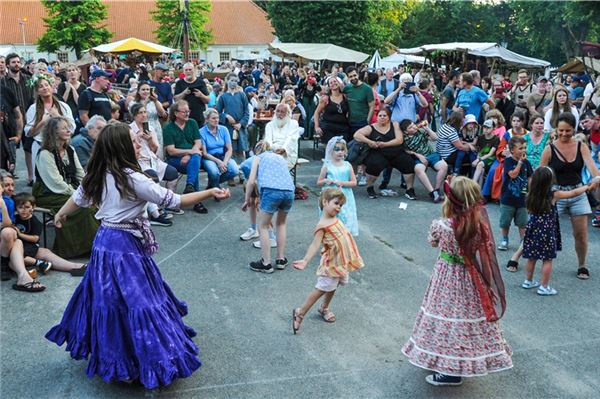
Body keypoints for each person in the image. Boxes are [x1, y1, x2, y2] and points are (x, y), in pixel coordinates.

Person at [45, 122, 230, 389]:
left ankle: (120, 361)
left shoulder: (99, 173)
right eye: (133, 140)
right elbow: (173, 200)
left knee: (113, 302)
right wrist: (211, 191)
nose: (138, 143)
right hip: (122, 247)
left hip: (105, 242)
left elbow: (78, 198)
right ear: (121, 146)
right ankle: (136, 361)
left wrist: (61, 213)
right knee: (137, 302)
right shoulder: (133, 178)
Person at [402, 176, 512, 386]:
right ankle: (459, 361)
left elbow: (433, 243)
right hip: (472, 278)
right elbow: (485, 254)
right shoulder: (479, 226)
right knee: (465, 318)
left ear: (450, 201)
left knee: (446, 317)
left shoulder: (441, 226)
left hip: (446, 278)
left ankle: (449, 370)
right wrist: (487, 283)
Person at [291, 188, 364, 333]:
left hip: (340, 262)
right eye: (336, 203)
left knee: (333, 285)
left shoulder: (335, 218)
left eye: (341, 205)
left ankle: (324, 308)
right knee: (321, 289)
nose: (339, 207)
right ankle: (300, 313)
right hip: (331, 264)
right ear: (325, 202)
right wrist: (305, 260)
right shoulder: (322, 225)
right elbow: (315, 244)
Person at [539, 112, 600, 280]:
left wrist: (597, 178)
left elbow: (592, 167)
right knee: (543, 229)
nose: (564, 134)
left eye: (568, 130)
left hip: (578, 192)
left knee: (580, 234)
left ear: (574, 129)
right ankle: (526, 259)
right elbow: (540, 174)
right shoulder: (549, 149)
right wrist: (538, 197)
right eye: (561, 130)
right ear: (556, 129)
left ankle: (582, 265)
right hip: (556, 193)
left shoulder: (581, 146)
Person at [32, 117, 98, 259]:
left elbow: (81, 174)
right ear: (54, 132)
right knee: (82, 207)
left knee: (94, 203)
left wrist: (88, 189)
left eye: (68, 127)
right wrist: (78, 195)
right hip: (48, 193)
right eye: (64, 128)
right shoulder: (45, 154)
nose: (69, 130)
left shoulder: (70, 149)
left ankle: (94, 244)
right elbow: (55, 182)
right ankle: (77, 249)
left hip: (69, 189)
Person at [520, 167, 591, 295]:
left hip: (533, 229)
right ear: (550, 181)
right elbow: (573, 193)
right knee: (547, 259)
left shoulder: (531, 194)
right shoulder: (553, 194)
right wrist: (586, 187)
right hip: (546, 231)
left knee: (531, 257)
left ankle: (528, 281)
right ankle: (544, 287)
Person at [242, 141, 295, 274]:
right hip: (289, 191)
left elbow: (251, 181)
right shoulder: (279, 158)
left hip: (272, 191)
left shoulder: (258, 158)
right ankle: (280, 259)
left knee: (263, 226)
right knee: (281, 223)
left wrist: (247, 199)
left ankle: (266, 263)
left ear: (257, 150)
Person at [11, 192, 87, 278]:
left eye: (27, 207)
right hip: (19, 248)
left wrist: (20, 234)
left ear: (33, 207)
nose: (24, 210)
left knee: (42, 253)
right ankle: (31, 271)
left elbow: (35, 238)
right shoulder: (15, 218)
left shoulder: (34, 221)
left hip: (29, 247)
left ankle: (78, 267)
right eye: (20, 207)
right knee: (13, 260)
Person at [129, 103, 179, 226]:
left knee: (173, 173)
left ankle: (166, 204)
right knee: (152, 178)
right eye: (140, 113)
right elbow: (129, 150)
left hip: (153, 160)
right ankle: (155, 212)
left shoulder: (150, 127)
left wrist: (150, 139)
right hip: (139, 162)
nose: (144, 115)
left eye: (145, 112)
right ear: (134, 116)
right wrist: (138, 137)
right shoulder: (129, 129)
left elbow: (155, 149)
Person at [353, 108, 416, 199]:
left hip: (396, 152)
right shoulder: (371, 127)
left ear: (389, 117)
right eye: (380, 116)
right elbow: (357, 135)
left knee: (409, 163)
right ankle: (370, 187)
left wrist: (385, 144)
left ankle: (410, 189)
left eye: (384, 116)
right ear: (377, 117)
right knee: (373, 164)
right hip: (379, 153)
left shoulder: (394, 124)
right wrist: (369, 141)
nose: (382, 117)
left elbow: (399, 140)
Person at [162, 100, 208, 214]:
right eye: (184, 112)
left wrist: (189, 154)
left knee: (195, 160)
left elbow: (198, 143)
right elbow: (171, 151)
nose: (187, 114)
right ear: (176, 113)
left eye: (188, 111)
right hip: (174, 160)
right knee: (195, 159)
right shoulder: (168, 128)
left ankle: (190, 186)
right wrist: (190, 152)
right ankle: (196, 198)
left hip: (191, 159)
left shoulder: (192, 123)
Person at [24, 74, 75, 172]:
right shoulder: (33, 108)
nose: (44, 88)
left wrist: (57, 116)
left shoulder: (63, 106)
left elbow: (71, 128)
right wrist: (42, 122)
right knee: (41, 175)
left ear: (51, 87)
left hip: (61, 147)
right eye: (40, 86)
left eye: (46, 85)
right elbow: (28, 133)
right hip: (40, 146)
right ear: (37, 91)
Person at [1, 54, 34, 182]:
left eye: (18, 62)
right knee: (10, 150)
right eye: (13, 62)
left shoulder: (28, 79)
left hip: (28, 118)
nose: (17, 64)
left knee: (29, 149)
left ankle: (31, 176)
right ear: (8, 65)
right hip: (11, 121)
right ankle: (9, 176)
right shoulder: (2, 82)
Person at [497, 136, 533, 251]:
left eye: (525, 148)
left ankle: (523, 242)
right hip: (508, 198)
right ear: (512, 150)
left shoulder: (527, 162)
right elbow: (512, 174)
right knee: (505, 221)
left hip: (522, 199)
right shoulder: (508, 161)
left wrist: (530, 193)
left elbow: (530, 178)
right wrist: (520, 163)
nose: (523, 150)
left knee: (522, 222)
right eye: (520, 148)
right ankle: (504, 239)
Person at [316, 137, 358, 235]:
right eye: (337, 150)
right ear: (331, 151)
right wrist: (326, 180)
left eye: (342, 150)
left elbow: (354, 182)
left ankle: (343, 239)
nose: (340, 152)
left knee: (345, 217)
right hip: (330, 195)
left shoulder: (347, 165)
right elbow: (319, 182)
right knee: (331, 217)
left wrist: (342, 183)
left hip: (345, 195)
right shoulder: (327, 165)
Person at [401, 119, 446, 202]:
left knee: (444, 166)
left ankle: (437, 189)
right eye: (410, 127)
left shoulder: (421, 131)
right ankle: (432, 192)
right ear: (406, 132)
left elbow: (435, 138)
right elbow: (404, 150)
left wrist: (427, 129)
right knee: (418, 169)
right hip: (419, 158)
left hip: (431, 154)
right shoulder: (404, 138)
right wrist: (416, 154)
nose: (414, 127)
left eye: (413, 124)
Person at [199, 108, 239, 189]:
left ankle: (213, 184)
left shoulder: (224, 129)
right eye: (213, 118)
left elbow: (229, 149)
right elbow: (205, 153)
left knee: (235, 170)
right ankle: (215, 186)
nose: (216, 120)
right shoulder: (201, 132)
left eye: (217, 118)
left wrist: (224, 162)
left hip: (222, 156)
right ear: (207, 119)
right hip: (209, 158)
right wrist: (218, 162)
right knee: (214, 172)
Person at [216, 73, 250, 164]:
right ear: (227, 81)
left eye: (235, 81)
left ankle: (242, 173)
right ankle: (231, 173)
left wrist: (241, 123)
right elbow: (217, 113)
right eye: (232, 80)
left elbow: (247, 112)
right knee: (230, 150)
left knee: (241, 151)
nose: (234, 83)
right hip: (229, 128)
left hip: (240, 128)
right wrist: (226, 116)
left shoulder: (242, 95)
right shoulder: (223, 97)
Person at [129, 81, 168, 158]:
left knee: (157, 151)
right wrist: (145, 103)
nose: (146, 91)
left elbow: (163, 115)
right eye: (143, 89)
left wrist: (156, 101)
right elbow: (135, 115)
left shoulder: (154, 102)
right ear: (138, 91)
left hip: (155, 128)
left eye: (147, 89)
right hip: (140, 129)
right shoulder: (133, 103)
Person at [313, 76, 350, 144]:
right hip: (328, 128)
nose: (333, 83)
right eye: (331, 83)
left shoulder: (345, 97)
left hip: (343, 128)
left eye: (335, 81)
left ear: (338, 83)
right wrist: (317, 127)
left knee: (342, 150)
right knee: (330, 151)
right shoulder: (325, 99)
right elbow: (317, 113)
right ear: (329, 86)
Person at [343, 66, 375, 140]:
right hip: (350, 122)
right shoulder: (347, 88)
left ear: (358, 74)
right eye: (350, 76)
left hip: (362, 122)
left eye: (354, 75)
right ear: (348, 78)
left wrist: (367, 121)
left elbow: (372, 106)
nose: (353, 78)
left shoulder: (367, 89)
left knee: (361, 146)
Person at [472, 119, 500, 187]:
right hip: (481, 157)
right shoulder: (481, 137)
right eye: (484, 127)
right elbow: (479, 151)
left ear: (493, 128)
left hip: (490, 158)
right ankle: (479, 191)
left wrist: (478, 160)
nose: (486, 129)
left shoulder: (496, 139)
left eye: (488, 128)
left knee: (480, 165)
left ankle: (472, 185)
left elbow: (490, 154)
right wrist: (478, 157)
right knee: (481, 171)